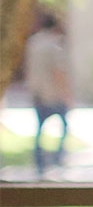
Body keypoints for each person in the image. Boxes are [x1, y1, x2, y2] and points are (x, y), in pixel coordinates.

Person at [24, 10, 71, 177]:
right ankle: (57, 159)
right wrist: (65, 94)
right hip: (52, 94)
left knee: (40, 128)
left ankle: (39, 162)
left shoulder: (33, 43)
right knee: (64, 126)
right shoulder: (53, 45)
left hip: (37, 92)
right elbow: (58, 72)